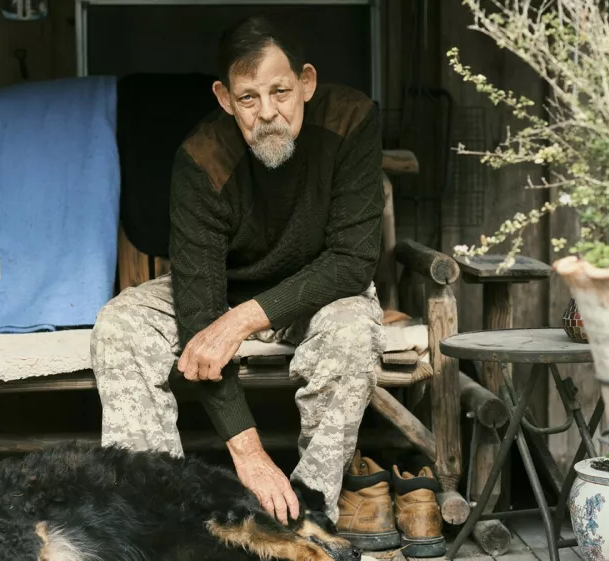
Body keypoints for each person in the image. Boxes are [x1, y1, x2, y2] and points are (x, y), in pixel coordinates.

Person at [91, 17, 444, 553]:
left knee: (352, 330)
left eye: (280, 91)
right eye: (248, 97)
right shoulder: (200, 158)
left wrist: (240, 322)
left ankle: (308, 512)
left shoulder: (352, 120)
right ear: (225, 99)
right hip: (218, 288)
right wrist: (249, 454)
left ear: (306, 82)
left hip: (319, 289)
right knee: (120, 323)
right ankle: (156, 524)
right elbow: (199, 315)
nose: (268, 112)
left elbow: (350, 263)